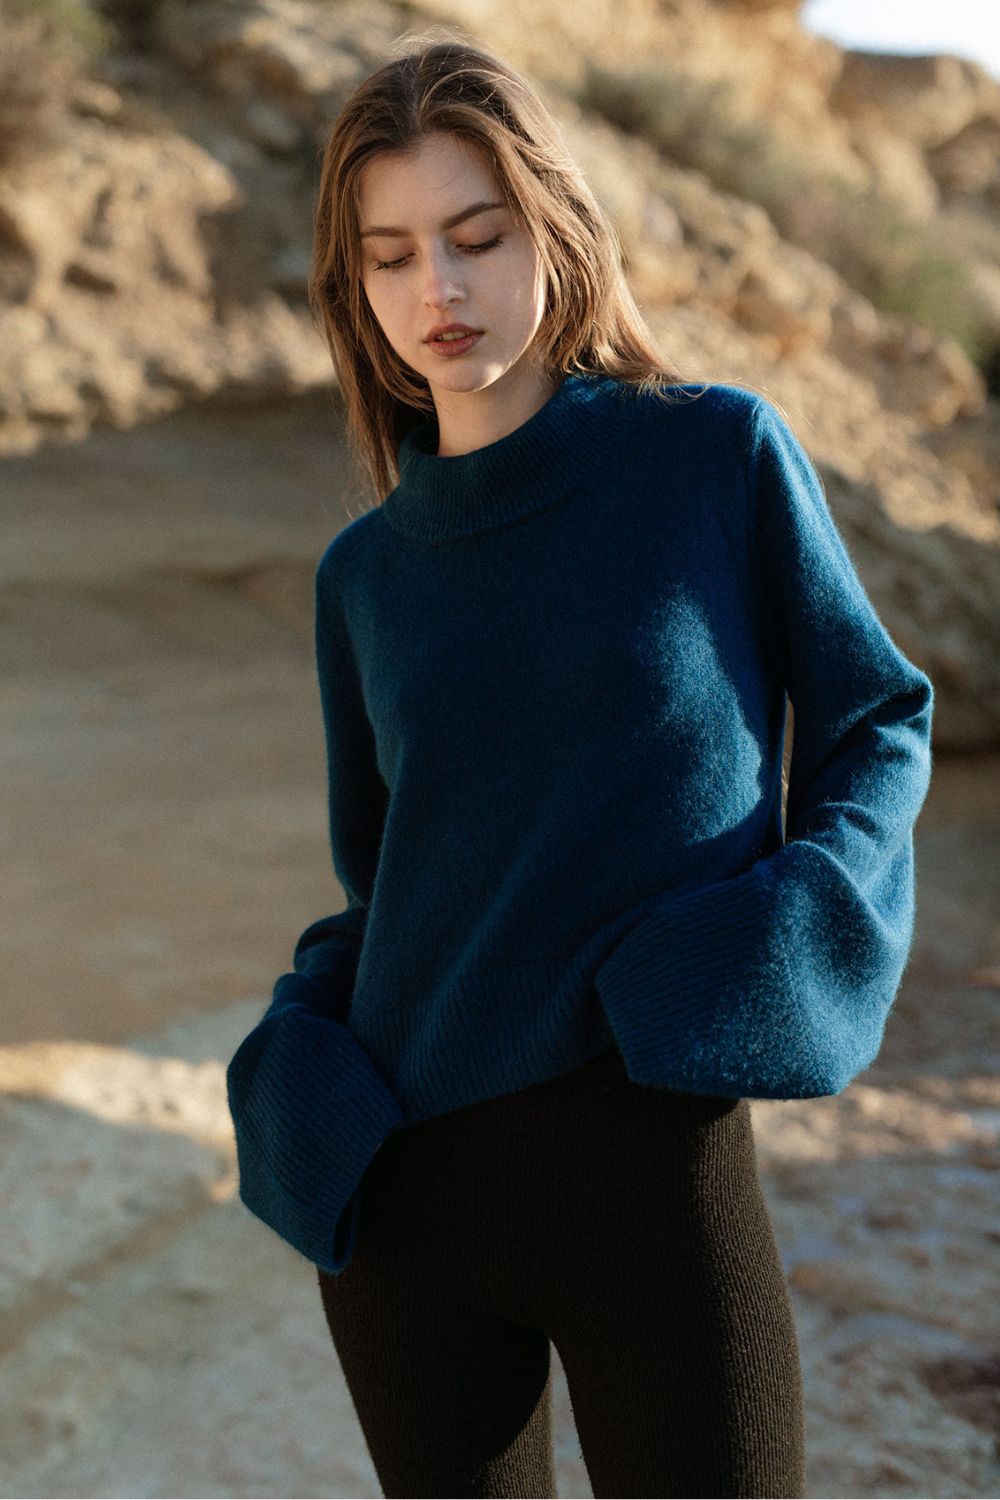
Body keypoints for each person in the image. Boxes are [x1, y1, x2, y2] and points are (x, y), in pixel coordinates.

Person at [225, 32, 935, 1500]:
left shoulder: (713, 461)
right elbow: (387, 878)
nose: (442, 290)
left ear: (550, 226)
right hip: (407, 1193)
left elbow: (878, 719)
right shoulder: (364, 578)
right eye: (395, 256)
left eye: (478, 238)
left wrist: (766, 943)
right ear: (354, 289)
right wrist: (305, 1064)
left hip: (651, 1161)